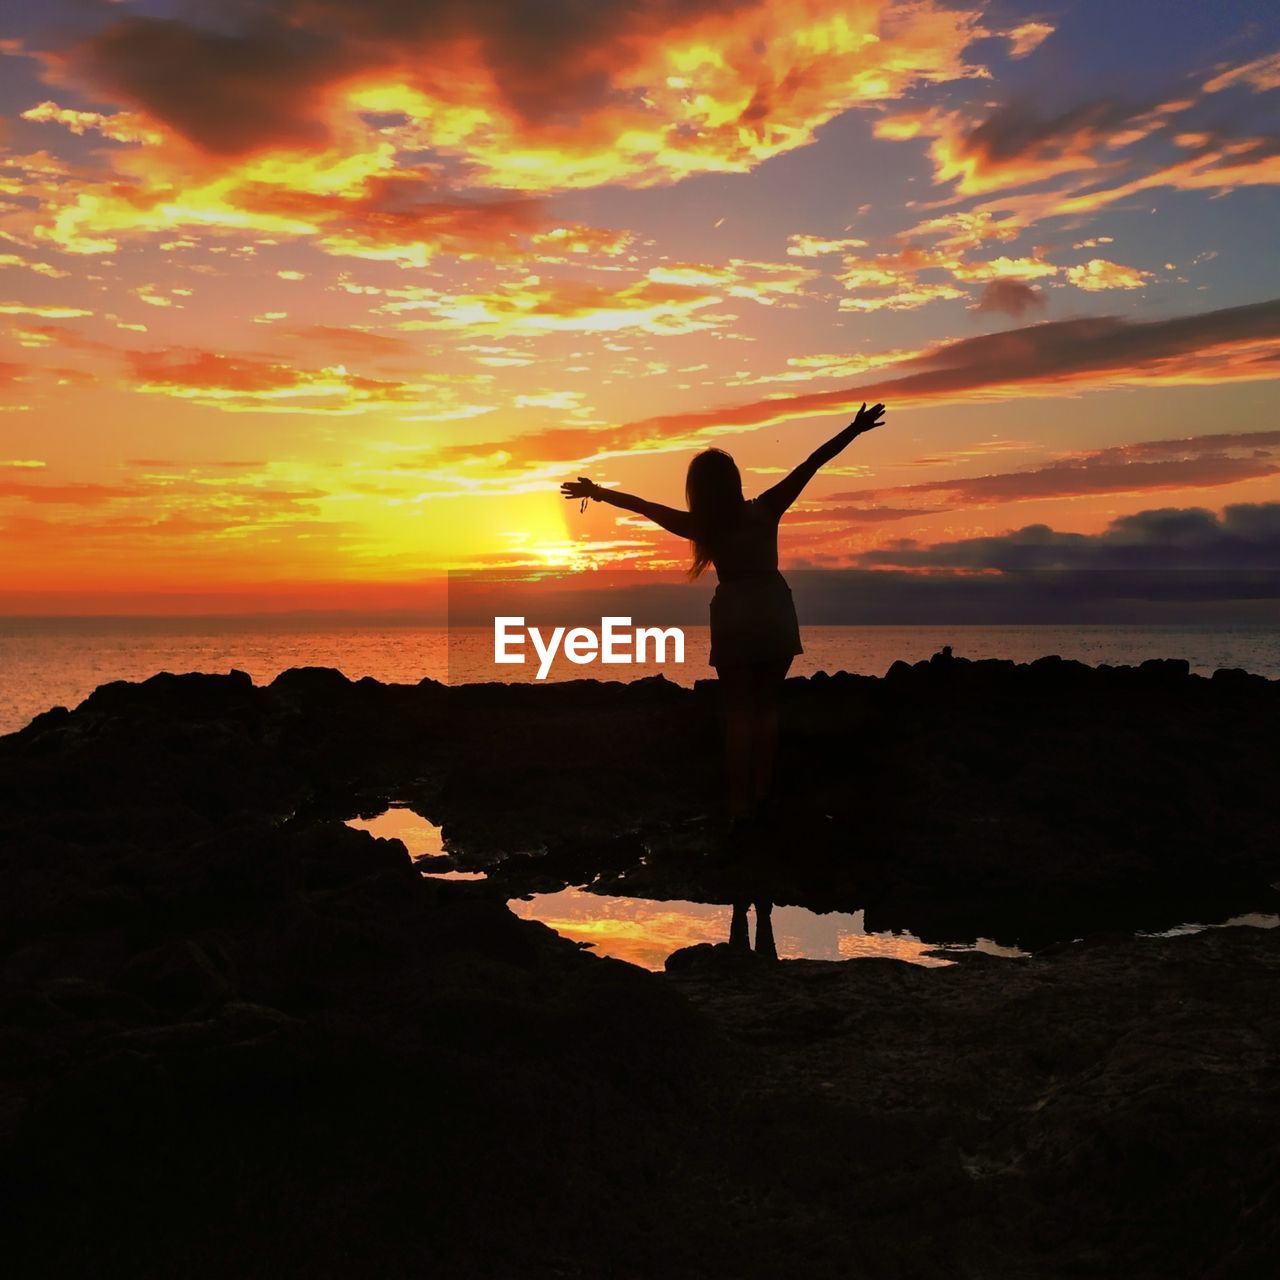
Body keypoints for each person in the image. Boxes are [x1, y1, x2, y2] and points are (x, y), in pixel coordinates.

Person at [562, 402, 887, 827]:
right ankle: (763, 796)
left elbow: (643, 506)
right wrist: (854, 428)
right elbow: (813, 462)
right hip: (773, 609)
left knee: (738, 714)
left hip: (735, 615)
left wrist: (598, 492)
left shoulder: (702, 527)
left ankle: (739, 806)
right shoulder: (766, 508)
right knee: (765, 710)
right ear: (733, 483)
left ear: (698, 491)